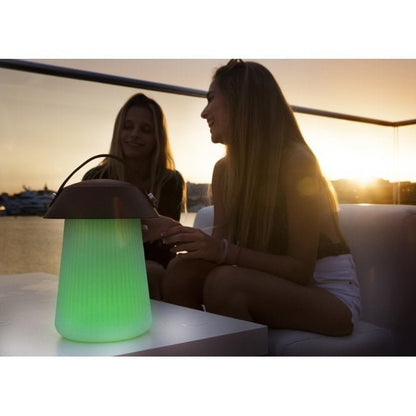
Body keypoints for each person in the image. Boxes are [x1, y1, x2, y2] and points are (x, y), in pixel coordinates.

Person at [144, 60, 360, 336]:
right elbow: (220, 249)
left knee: (225, 284)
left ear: (241, 102)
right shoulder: (224, 171)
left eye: (211, 99)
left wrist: (223, 251)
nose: (204, 112)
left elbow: (301, 269)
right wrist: (176, 232)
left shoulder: (296, 162)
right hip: (271, 283)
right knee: (179, 272)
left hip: (329, 293)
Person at [83, 93, 184, 300]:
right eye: (128, 127)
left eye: (145, 129)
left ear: (158, 138)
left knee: (149, 273)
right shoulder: (95, 178)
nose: (134, 134)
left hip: (154, 266)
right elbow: (88, 241)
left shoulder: (170, 181)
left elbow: (163, 245)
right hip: (102, 262)